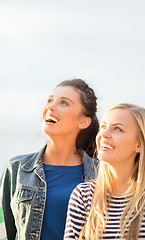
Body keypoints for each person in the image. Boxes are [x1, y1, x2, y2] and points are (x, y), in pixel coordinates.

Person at [0, 79, 99, 240]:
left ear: (84, 121)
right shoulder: (16, 168)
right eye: (50, 100)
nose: (51, 107)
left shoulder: (102, 174)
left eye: (64, 103)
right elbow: (4, 233)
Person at [64, 103, 145, 239]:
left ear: (139, 144)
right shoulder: (83, 196)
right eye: (103, 127)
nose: (104, 134)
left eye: (117, 129)